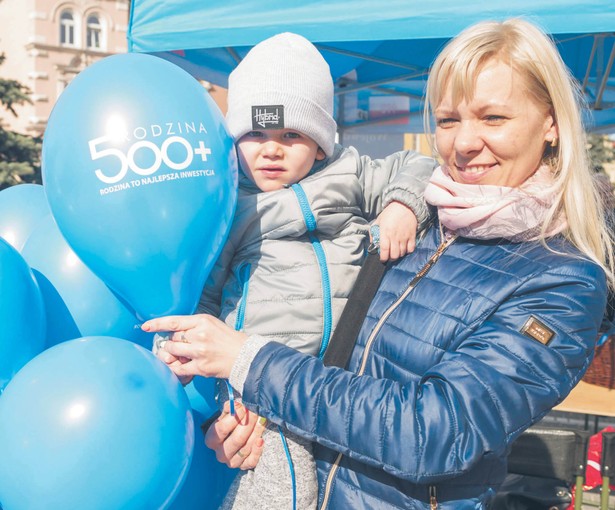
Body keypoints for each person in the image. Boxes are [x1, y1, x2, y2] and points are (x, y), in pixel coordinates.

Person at [144, 18, 614, 508]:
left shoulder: (561, 280)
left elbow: (435, 433)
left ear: (552, 124)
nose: (464, 142)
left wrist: (250, 362)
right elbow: (332, 362)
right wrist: (237, 421)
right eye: (449, 120)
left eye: (493, 119)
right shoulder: (427, 216)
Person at [156, 32, 436, 510]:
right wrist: (179, 349)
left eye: (291, 136)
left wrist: (402, 207)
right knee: (270, 481)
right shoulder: (231, 205)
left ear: (322, 144)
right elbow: (204, 293)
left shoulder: (347, 175)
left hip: (347, 379)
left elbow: (418, 165)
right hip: (259, 384)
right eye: (255, 134)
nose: (272, 150)